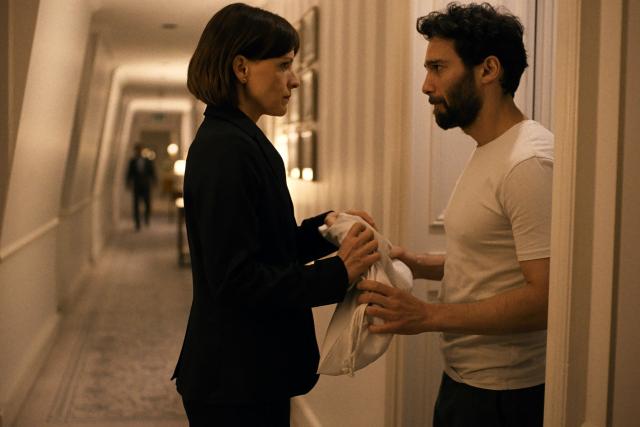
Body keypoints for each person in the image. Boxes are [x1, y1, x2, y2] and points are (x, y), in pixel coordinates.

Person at [171, 4, 380, 426]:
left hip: (249, 371)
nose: (295, 80)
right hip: (234, 376)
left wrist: (326, 229)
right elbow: (237, 279)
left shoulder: (239, 139)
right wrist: (337, 273)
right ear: (241, 68)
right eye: (283, 65)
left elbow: (264, 245)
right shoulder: (226, 148)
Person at [357, 3, 553, 426]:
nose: (426, 85)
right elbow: (494, 262)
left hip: (504, 396)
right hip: (466, 382)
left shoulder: (529, 161)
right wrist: (415, 263)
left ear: (488, 70)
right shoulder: (491, 149)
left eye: (438, 68)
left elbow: (546, 298)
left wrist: (426, 315)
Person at [126, 143, 157, 230]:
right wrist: (128, 183)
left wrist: (154, 181)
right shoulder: (132, 161)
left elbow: (152, 172)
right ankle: (137, 223)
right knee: (136, 205)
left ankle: (146, 218)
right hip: (136, 186)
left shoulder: (148, 161)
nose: (138, 151)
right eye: (137, 150)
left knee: (147, 203)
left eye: (139, 149)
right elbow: (129, 173)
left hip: (146, 185)